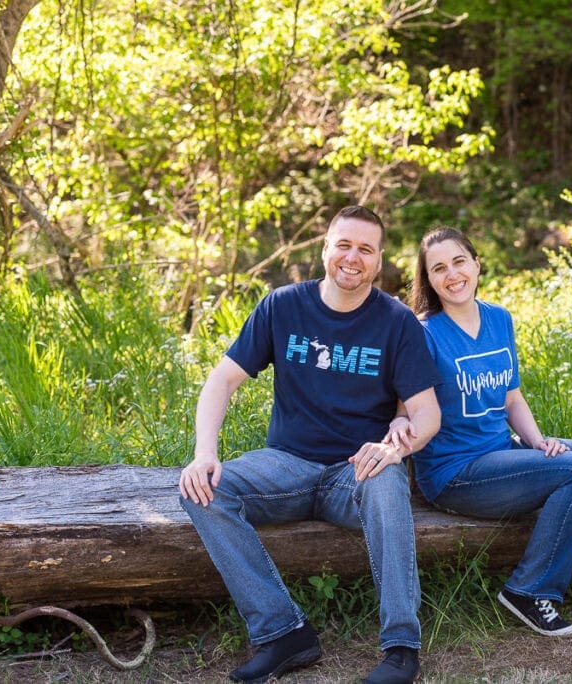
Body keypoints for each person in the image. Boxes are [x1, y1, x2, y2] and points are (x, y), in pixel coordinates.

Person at [179, 206, 441, 684]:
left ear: (378, 261)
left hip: (353, 473)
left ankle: (402, 648)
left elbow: (427, 413)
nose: (352, 257)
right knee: (203, 489)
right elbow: (221, 381)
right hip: (285, 466)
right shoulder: (282, 305)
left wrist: (394, 450)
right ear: (325, 249)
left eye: (365, 249)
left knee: (387, 480)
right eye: (344, 244)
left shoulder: (397, 322)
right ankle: (283, 632)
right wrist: (204, 452)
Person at [401, 227, 572, 637]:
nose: (452, 274)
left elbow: (512, 399)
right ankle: (530, 591)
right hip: (454, 473)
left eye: (459, 261)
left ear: (477, 264)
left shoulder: (499, 319)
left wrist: (537, 441)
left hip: (503, 453)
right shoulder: (423, 333)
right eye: (439, 268)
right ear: (428, 280)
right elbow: (408, 410)